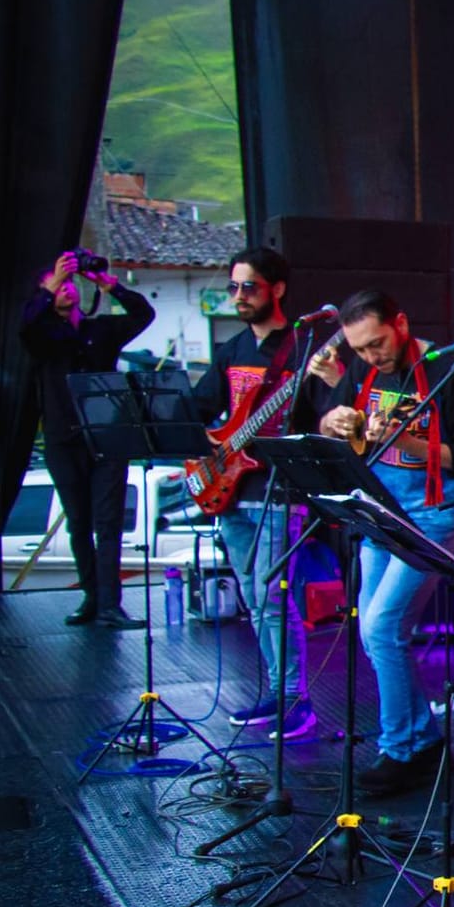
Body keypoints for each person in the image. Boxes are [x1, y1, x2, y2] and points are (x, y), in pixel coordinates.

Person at [317, 290, 454, 795]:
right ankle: (423, 741)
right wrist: (335, 421)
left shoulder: (448, 370)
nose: (372, 356)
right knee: (374, 635)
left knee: (383, 626)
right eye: (361, 350)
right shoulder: (362, 372)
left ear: (401, 322)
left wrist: (410, 441)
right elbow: (333, 418)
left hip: (434, 513)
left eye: (378, 343)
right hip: (381, 510)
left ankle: (400, 748)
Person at [190, 246, 339, 734]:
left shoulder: (300, 349)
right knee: (254, 599)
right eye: (232, 287)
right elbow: (201, 409)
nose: (238, 296)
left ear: (276, 289)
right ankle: (279, 691)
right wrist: (210, 453)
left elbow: (325, 416)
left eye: (248, 286)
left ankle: (296, 698)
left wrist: (330, 384)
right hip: (230, 488)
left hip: (277, 491)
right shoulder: (232, 350)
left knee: (271, 594)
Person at [19, 250, 157, 629]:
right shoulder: (44, 336)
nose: (67, 290)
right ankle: (92, 599)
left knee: (108, 522)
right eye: (59, 285)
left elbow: (143, 315)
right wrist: (48, 287)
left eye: (69, 283)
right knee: (78, 521)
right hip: (64, 439)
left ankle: (111, 604)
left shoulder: (100, 331)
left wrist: (107, 284)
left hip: (107, 436)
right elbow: (27, 328)